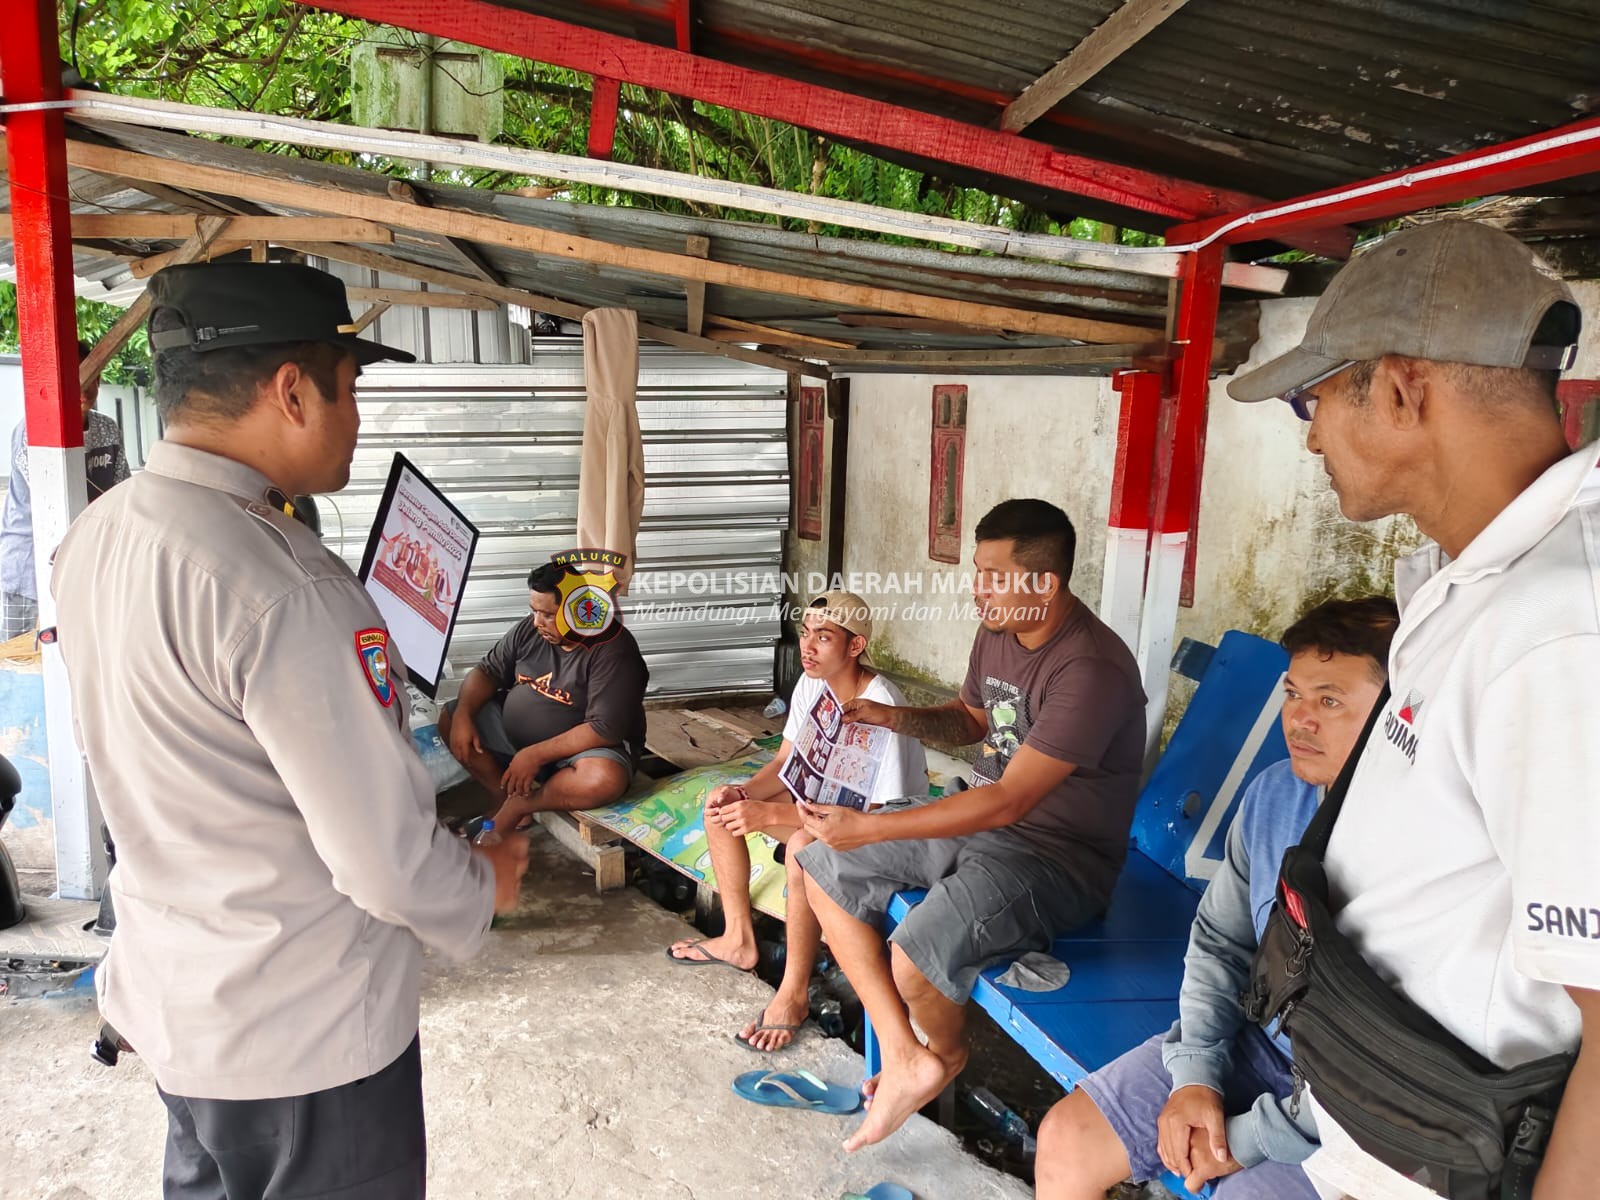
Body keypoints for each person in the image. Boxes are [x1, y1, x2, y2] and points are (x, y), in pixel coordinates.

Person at [51, 261, 530, 1200]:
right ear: (291, 390)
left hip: (179, 1009)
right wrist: (484, 884)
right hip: (305, 1043)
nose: (357, 416)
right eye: (350, 388)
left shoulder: (99, 536)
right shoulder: (287, 586)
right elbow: (382, 860)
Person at [1226, 219, 1598, 1199]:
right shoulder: (1462, 581)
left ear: (1399, 388)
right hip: (1374, 1142)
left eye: (1311, 399)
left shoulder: (1559, 628)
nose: (1307, 433)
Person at [795, 498, 1147, 1151]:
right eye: (977, 571)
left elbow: (1012, 802)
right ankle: (908, 1056)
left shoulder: (1090, 670)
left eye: (993, 574)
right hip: (984, 820)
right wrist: (891, 717)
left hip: (1055, 858)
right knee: (818, 864)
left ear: (1043, 582)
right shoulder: (1000, 632)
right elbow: (971, 722)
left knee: (914, 961)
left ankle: (947, 1055)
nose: (978, 589)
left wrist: (869, 828)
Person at [1035, 596, 1398, 1200]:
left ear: (1399, 714)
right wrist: (1195, 1076)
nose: (1300, 719)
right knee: (1067, 1140)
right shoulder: (1274, 795)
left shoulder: (1426, 846)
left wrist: (1249, 1137)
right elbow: (1220, 940)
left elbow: (1393, 1063)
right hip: (1259, 1039)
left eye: (1329, 700)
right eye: (1292, 694)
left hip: (1360, 1110)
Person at [666, 591, 929, 1052]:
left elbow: (874, 816)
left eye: (823, 638)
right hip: (819, 815)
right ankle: (739, 939)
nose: (807, 647)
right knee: (719, 806)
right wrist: (745, 794)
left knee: (804, 851)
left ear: (855, 646)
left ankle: (793, 995)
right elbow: (787, 762)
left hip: (880, 835)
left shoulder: (882, 703)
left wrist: (769, 813)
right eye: (805, 634)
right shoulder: (812, 683)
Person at [440, 561, 648, 833]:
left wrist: (535, 755)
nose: (538, 622)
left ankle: (522, 805)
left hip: (579, 754)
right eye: (534, 611)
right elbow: (487, 672)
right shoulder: (530, 629)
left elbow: (603, 729)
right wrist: (465, 714)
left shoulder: (613, 650)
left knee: (603, 779)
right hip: (518, 744)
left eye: (549, 615)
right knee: (451, 719)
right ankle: (504, 797)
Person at [1, 338, 130, 639]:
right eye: (71, 380)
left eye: (91, 376)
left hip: (90, 562)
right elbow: (56, 501)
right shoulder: (33, 431)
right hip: (30, 570)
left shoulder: (107, 428)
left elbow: (123, 492)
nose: (84, 389)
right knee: (20, 664)